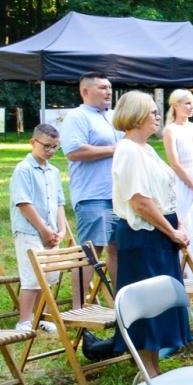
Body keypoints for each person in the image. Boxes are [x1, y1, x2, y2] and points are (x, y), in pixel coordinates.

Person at [108, 91, 192, 376]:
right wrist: (171, 231)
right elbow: (140, 201)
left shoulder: (146, 148)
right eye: (152, 112)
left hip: (162, 231)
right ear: (137, 115)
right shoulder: (128, 150)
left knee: (162, 301)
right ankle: (147, 370)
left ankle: (155, 364)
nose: (158, 116)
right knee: (146, 302)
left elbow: (165, 194)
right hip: (143, 235)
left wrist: (179, 225)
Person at [61, 73, 118, 307]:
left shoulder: (113, 117)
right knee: (91, 251)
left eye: (110, 87)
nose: (108, 91)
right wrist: (115, 149)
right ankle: (78, 307)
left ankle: (121, 303)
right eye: (103, 87)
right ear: (85, 91)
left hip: (118, 195)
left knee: (118, 250)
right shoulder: (77, 116)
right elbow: (73, 151)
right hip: (93, 195)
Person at [10, 124, 66, 330]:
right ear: (33, 143)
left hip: (51, 231)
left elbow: (59, 202)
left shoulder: (54, 171)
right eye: (47, 146)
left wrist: (61, 230)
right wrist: (43, 229)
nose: (51, 151)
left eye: (55, 147)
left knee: (49, 275)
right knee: (32, 276)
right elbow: (24, 203)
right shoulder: (23, 170)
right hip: (29, 230)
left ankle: (42, 316)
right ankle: (24, 320)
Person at [161, 89, 193, 265]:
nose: (191, 107)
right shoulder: (170, 130)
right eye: (187, 103)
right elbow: (174, 163)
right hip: (182, 180)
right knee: (187, 221)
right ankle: (187, 267)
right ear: (175, 105)